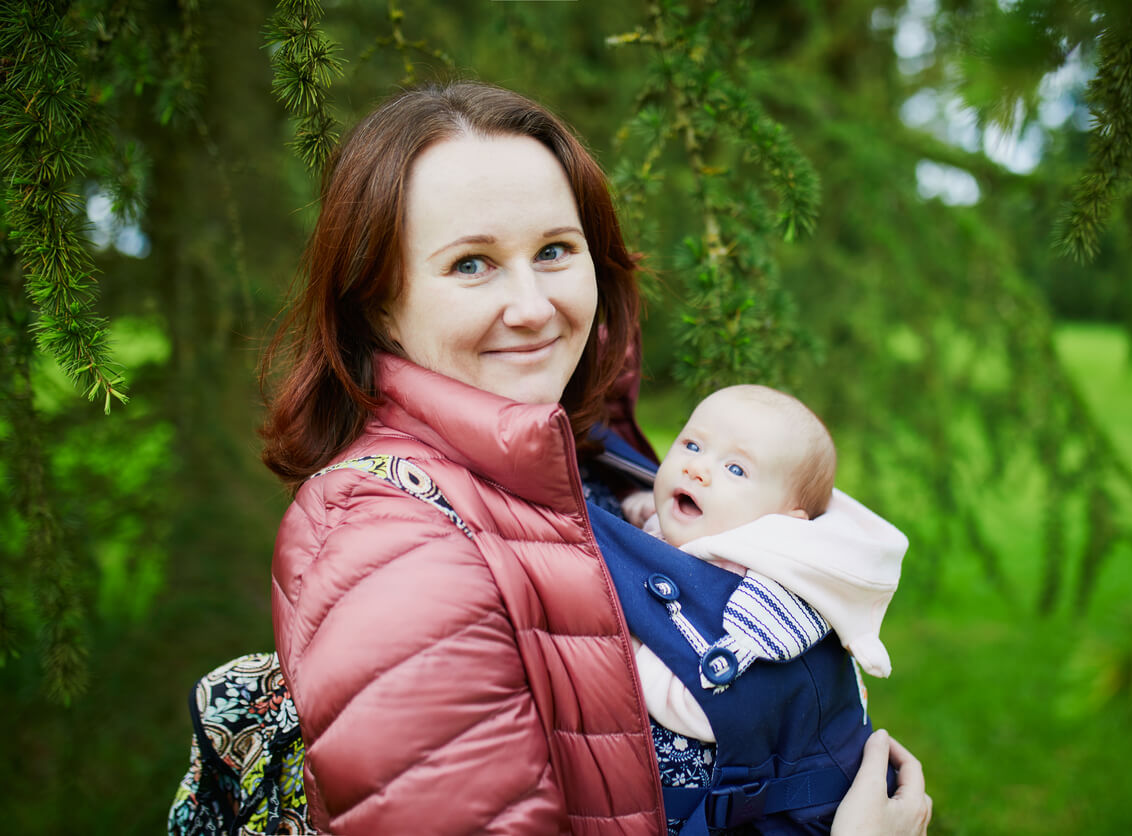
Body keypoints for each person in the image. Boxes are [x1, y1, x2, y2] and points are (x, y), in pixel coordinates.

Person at [257, 81, 931, 835]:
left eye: (554, 251)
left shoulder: (578, 449)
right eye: (472, 264)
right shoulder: (394, 547)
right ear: (380, 302)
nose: (534, 307)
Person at [619, 384, 905, 745]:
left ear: (782, 524)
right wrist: (649, 510)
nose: (697, 468)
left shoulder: (760, 597)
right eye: (692, 445)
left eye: (736, 469)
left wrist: (625, 648)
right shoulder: (711, 527)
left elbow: (704, 707)